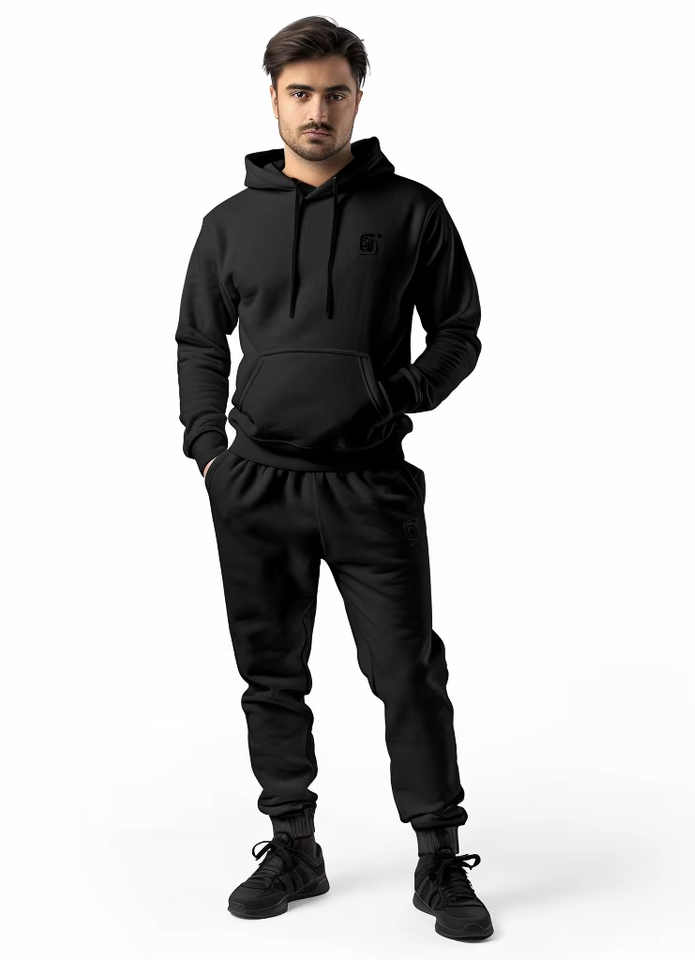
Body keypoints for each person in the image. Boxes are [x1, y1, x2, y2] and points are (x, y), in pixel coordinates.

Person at [176, 16, 491, 942]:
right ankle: (293, 846)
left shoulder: (413, 211)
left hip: (369, 482)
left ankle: (439, 857)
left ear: (359, 98)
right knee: (271, 676)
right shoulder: (228, 224)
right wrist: (208, 450)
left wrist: (398, 395)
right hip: (258, 485)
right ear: (274, 98)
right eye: (301, 93)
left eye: (335, 93)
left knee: (408, 672)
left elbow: (459, 331)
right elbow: (199, 340)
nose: (318, 110)